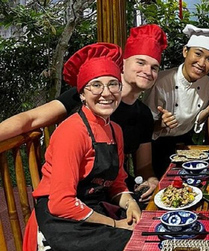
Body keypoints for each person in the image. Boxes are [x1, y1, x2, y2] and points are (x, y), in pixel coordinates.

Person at [20, 43, 141, 251]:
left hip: (88, 217)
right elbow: (61, 203)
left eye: (113, 84)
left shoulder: (115, 130)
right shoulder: (72, 132)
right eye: (95, 85)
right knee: (139, 250)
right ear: (83, 94)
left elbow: (118, 182)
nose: (106, 93)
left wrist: (130, 202)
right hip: (56, 232)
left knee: (144, 234)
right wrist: (115, 223)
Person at [0, 24, 167, 205]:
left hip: (113, 192)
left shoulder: (143, 115)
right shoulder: (87, 94)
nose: (148, 72)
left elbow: (144, 166)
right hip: (72, 196)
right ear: (124, 63)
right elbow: (31, 119)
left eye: (154, 67)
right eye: (140, 62)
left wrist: (151, 180)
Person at [142, 24, 209, 177]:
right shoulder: (161, 81)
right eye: (198, 54)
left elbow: (195, 119)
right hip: (156, 147)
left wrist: (208, 111)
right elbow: (144, 129)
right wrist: (160, 124)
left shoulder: (207, 83)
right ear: (185, 51)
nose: (202, 63)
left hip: (186, 143)